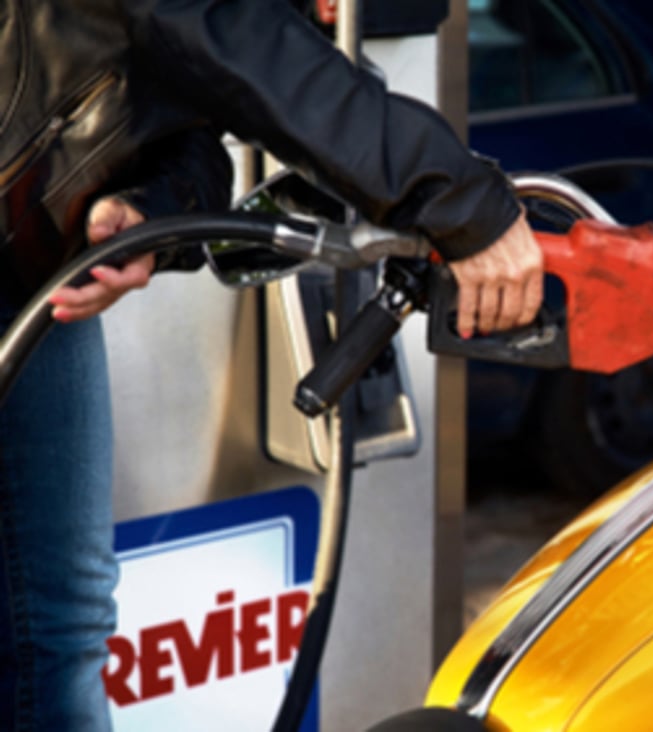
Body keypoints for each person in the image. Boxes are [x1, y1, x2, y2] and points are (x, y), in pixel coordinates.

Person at [0, 0, 543, 728]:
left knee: (62, 620)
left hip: (27, 271)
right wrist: (461, 200)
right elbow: (230, 36)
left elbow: (178, 102)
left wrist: (148, 208)